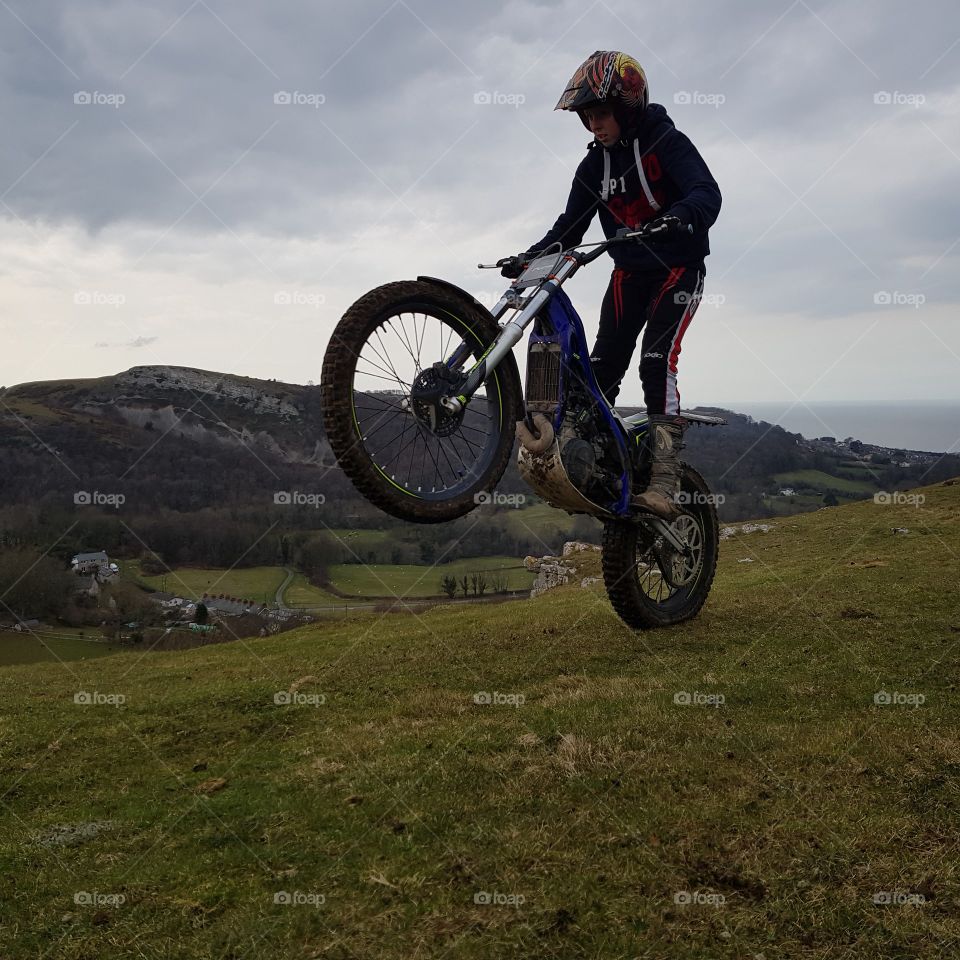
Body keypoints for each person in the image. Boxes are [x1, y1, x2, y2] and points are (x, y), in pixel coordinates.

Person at [504, 50, 721, 519]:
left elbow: (708, 193)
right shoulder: (592, 169)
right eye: (587, 118)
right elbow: (568, 229)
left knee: (656, 362)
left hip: (679, 268)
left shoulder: (667, 142)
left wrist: (677, 217)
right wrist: (529, 257)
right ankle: (595, 463)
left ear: (627, 106)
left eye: (601, 114)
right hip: (629, 274)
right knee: (597, 370)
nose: (594, 126)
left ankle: (664, 480)